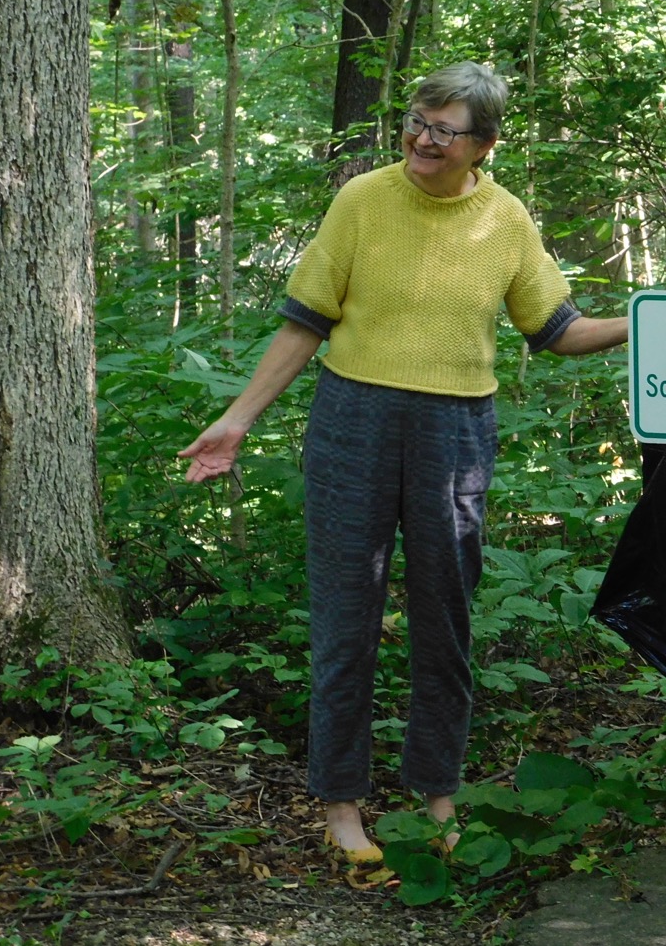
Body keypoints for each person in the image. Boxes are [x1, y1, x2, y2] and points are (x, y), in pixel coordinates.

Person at [179, 62, 629, 864]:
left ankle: (438, 793)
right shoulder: (363, 200)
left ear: (484, 144)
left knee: (444, 616)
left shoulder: (506, 219)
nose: (423, 138)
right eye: (418, 120)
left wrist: (648, 320)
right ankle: (342, 802)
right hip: (354, 418)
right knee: (346, 615)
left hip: (457, 429)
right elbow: (304, 321)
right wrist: (236, 421)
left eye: (444, 129)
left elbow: (558, 328)